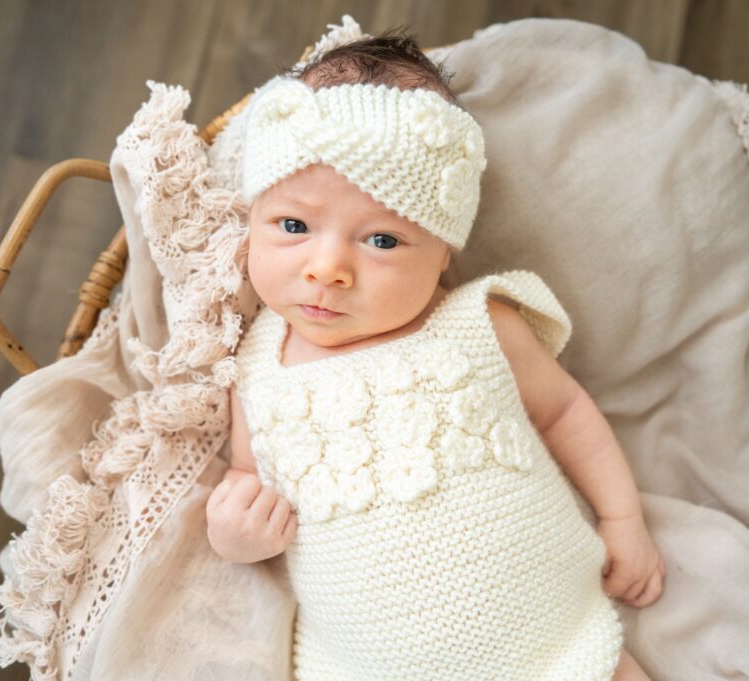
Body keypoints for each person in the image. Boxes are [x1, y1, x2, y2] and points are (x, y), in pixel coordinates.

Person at [205, 28, 665, 681]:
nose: (328, 268)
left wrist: (623, 518)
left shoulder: (477, 325)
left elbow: (564, 412)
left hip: (557, 639)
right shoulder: (257, 367)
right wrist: (235, 532)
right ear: (253, 219)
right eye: (294, 226)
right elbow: (246, 477)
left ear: (443, 250)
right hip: (372, 662)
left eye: (383, 240)